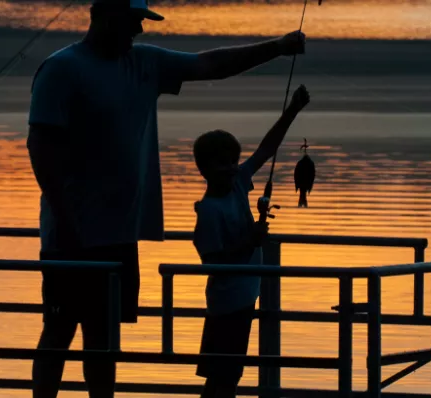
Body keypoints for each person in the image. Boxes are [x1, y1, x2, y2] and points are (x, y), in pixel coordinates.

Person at [26, 0, 307, 396]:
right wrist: (67, 221)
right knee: (58, 331)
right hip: (69, 237)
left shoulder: (144, 63)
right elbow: (40, 148)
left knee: (104, 340)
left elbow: (209, 64)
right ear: (106, 16)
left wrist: (277, 46)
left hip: (120, 235)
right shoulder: (61, 69)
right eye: (133, 21)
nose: (138, 31)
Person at [192, 85, 311, 398]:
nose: (232, 168)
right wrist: (250, 241)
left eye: (234, 161)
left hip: (244, 299)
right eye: (223, 164)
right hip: (226, 305)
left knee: (229, 375)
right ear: (204, 169)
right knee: (223, 378)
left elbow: (266, 149)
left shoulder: (238, 184)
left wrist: (293, 110)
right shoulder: (208, 211)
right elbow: (213, 262)